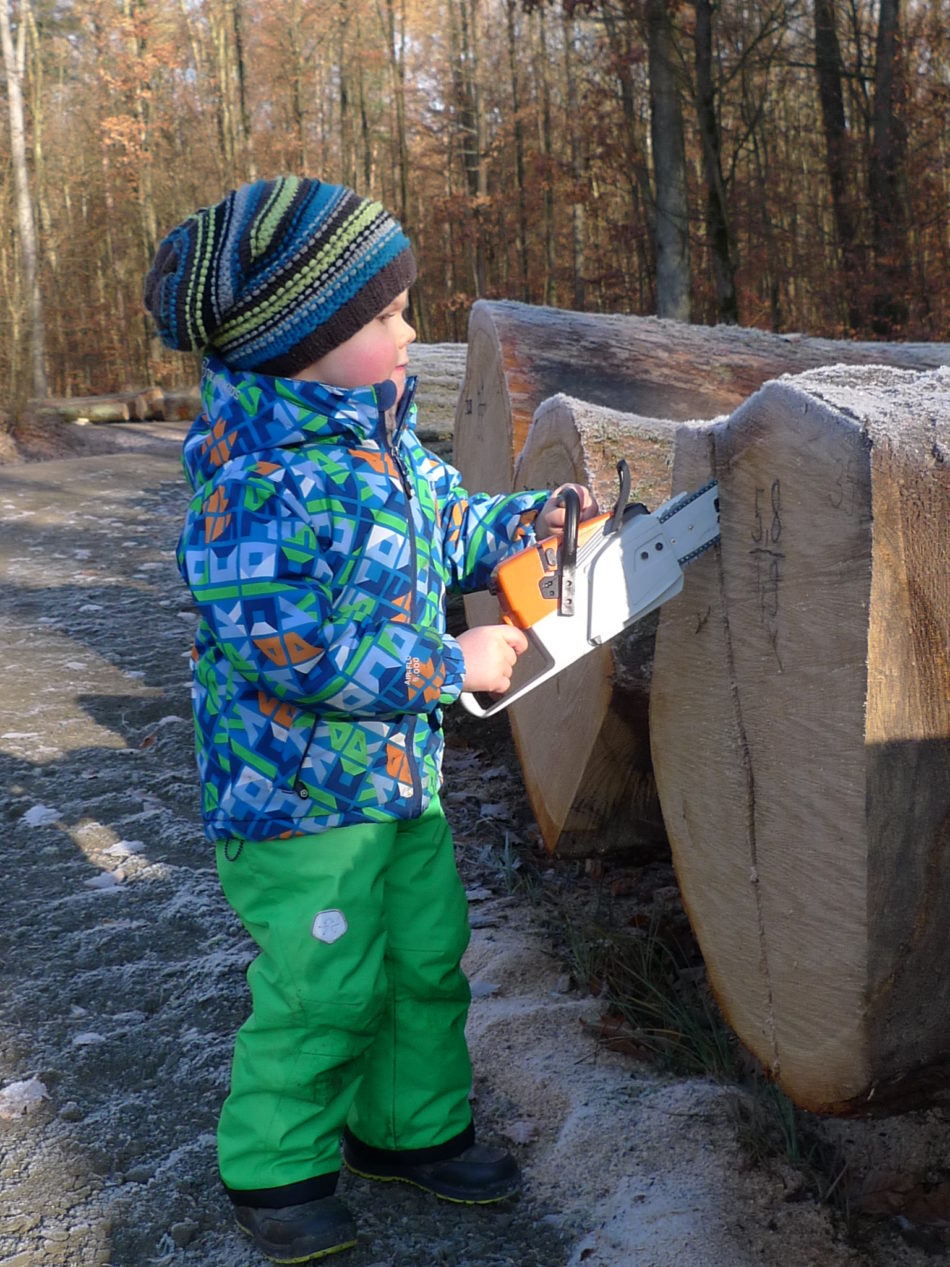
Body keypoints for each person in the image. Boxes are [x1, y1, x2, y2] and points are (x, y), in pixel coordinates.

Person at [144, 175, 596, 1264]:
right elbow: (294, 653)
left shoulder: (383, 447)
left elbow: (455, 525)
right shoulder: (247, 485)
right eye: (387, 316)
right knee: (324, 985)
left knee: (425, 959)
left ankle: (410, 1128)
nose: (409, 331)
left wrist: (529, 525)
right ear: (303, 338)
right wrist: (449, 660)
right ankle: (275, 1165)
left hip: (397, 783)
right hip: (297, 805)